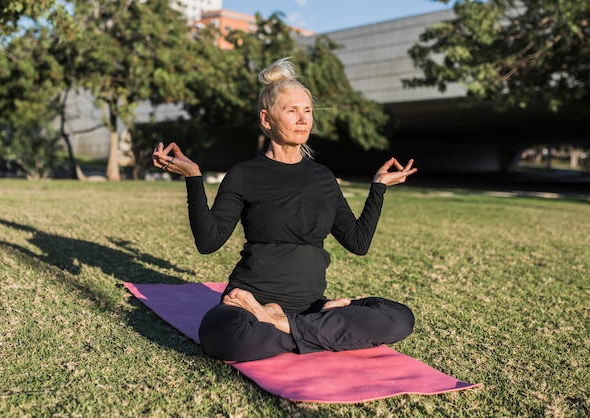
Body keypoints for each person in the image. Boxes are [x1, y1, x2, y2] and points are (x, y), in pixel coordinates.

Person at [152, 57, 418, 362]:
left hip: (309, 305)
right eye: (292, 111)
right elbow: (208, 242)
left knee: (399, 317)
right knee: (222, 336)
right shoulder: (244, 174)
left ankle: (283, 323)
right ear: (267, 119)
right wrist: (194, 179)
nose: (304, 119)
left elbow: (357, 242)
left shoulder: (322, 177)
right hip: (250, 302)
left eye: (307, 111)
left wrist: (378, 187)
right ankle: (314, 330)